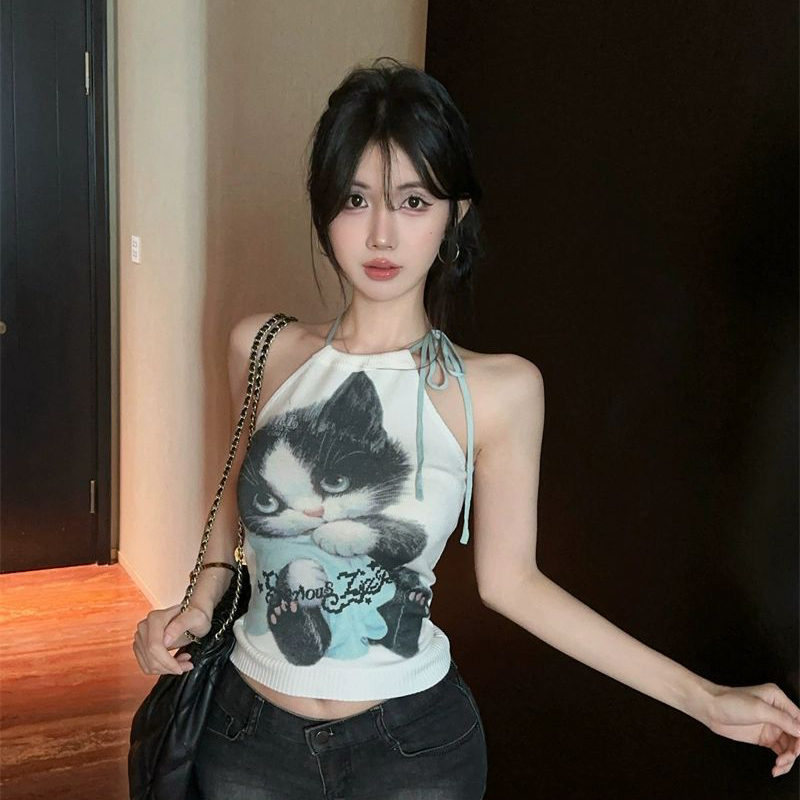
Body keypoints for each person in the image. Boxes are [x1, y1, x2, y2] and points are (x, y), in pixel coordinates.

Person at [133, 57, 800, 797]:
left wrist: (704, 698)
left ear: (454, 215)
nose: (382, 234)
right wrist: (196, 606)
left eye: (413, 201)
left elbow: (515, 584)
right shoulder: (261, 347)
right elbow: (234, 507)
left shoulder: (500, 390)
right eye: (356, 199)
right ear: (324, 212)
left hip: (411, 755)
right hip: (246, 741)